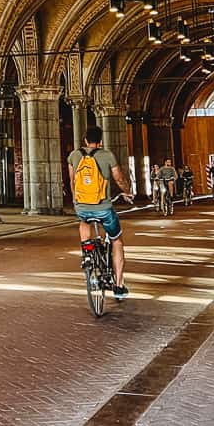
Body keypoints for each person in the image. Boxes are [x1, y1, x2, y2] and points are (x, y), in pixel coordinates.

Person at [69, 125, 132, 300]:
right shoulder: (107, 155)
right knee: (117, 241)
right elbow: (118, 178)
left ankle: (87, 253)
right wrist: (127, 191)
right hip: (103, 207)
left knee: (84, 221)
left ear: (85, 140)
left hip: (82, 206)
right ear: (101, 141)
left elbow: (72, 180)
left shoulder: (74, 155)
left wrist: (77, 200)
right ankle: (119, 286)